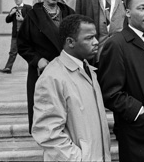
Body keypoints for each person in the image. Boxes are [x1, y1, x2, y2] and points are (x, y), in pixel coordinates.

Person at [98, 0, 144, 162]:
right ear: (128, 13)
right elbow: (110, 93)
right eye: (142, 8)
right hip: (136, 132)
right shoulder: (116, 44)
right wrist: (140, 112)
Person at [32, 14, 111, 161]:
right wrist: (79, 159)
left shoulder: (89, 70)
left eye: (95, 37)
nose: (96, 42)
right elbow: (47, 133)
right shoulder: (52, 77)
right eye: (89, 38)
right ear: (70, 42)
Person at [17, 0, 75, 133]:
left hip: (67, 69)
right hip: (42, 70)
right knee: (46, 108)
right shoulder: (32, 16)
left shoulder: (70, 13)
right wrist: (37, 60)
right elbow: (22, 45)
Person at [0, 0, 32, 74]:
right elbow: (7, 20)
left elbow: (32, 20)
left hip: (26, 34)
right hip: (16, 35)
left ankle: (33, 68)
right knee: (13, 51)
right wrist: (11, 14)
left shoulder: (28, 8)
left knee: (30, 51)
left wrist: (23, 19)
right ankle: (8, 68)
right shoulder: (13, 9)